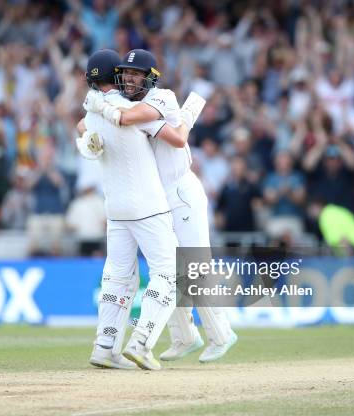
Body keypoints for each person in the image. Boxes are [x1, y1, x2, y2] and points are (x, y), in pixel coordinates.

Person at [83, 49, 237, 363]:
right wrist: (87, 129)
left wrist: (97, 102)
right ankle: (184, 336)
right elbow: (88, 123)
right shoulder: (127, 102)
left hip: (181, 190)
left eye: (136, 74)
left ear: (150, 77)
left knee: (192, 265)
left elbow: (175, 138)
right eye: (125, 73)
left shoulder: (162, 97)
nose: (128, 78)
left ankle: (221, 334)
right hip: (155, 195)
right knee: (167, 268)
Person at [77, 49, 181, 371]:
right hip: (148, 205)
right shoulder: (135, 109)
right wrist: (187, 117)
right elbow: (176, 139)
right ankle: (142, 342)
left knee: (117, 277)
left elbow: (82, 127)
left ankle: (105, 346)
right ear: (117, 75)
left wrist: (87, 132)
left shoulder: (92, 114)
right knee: (169, 271)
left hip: (116, 208)